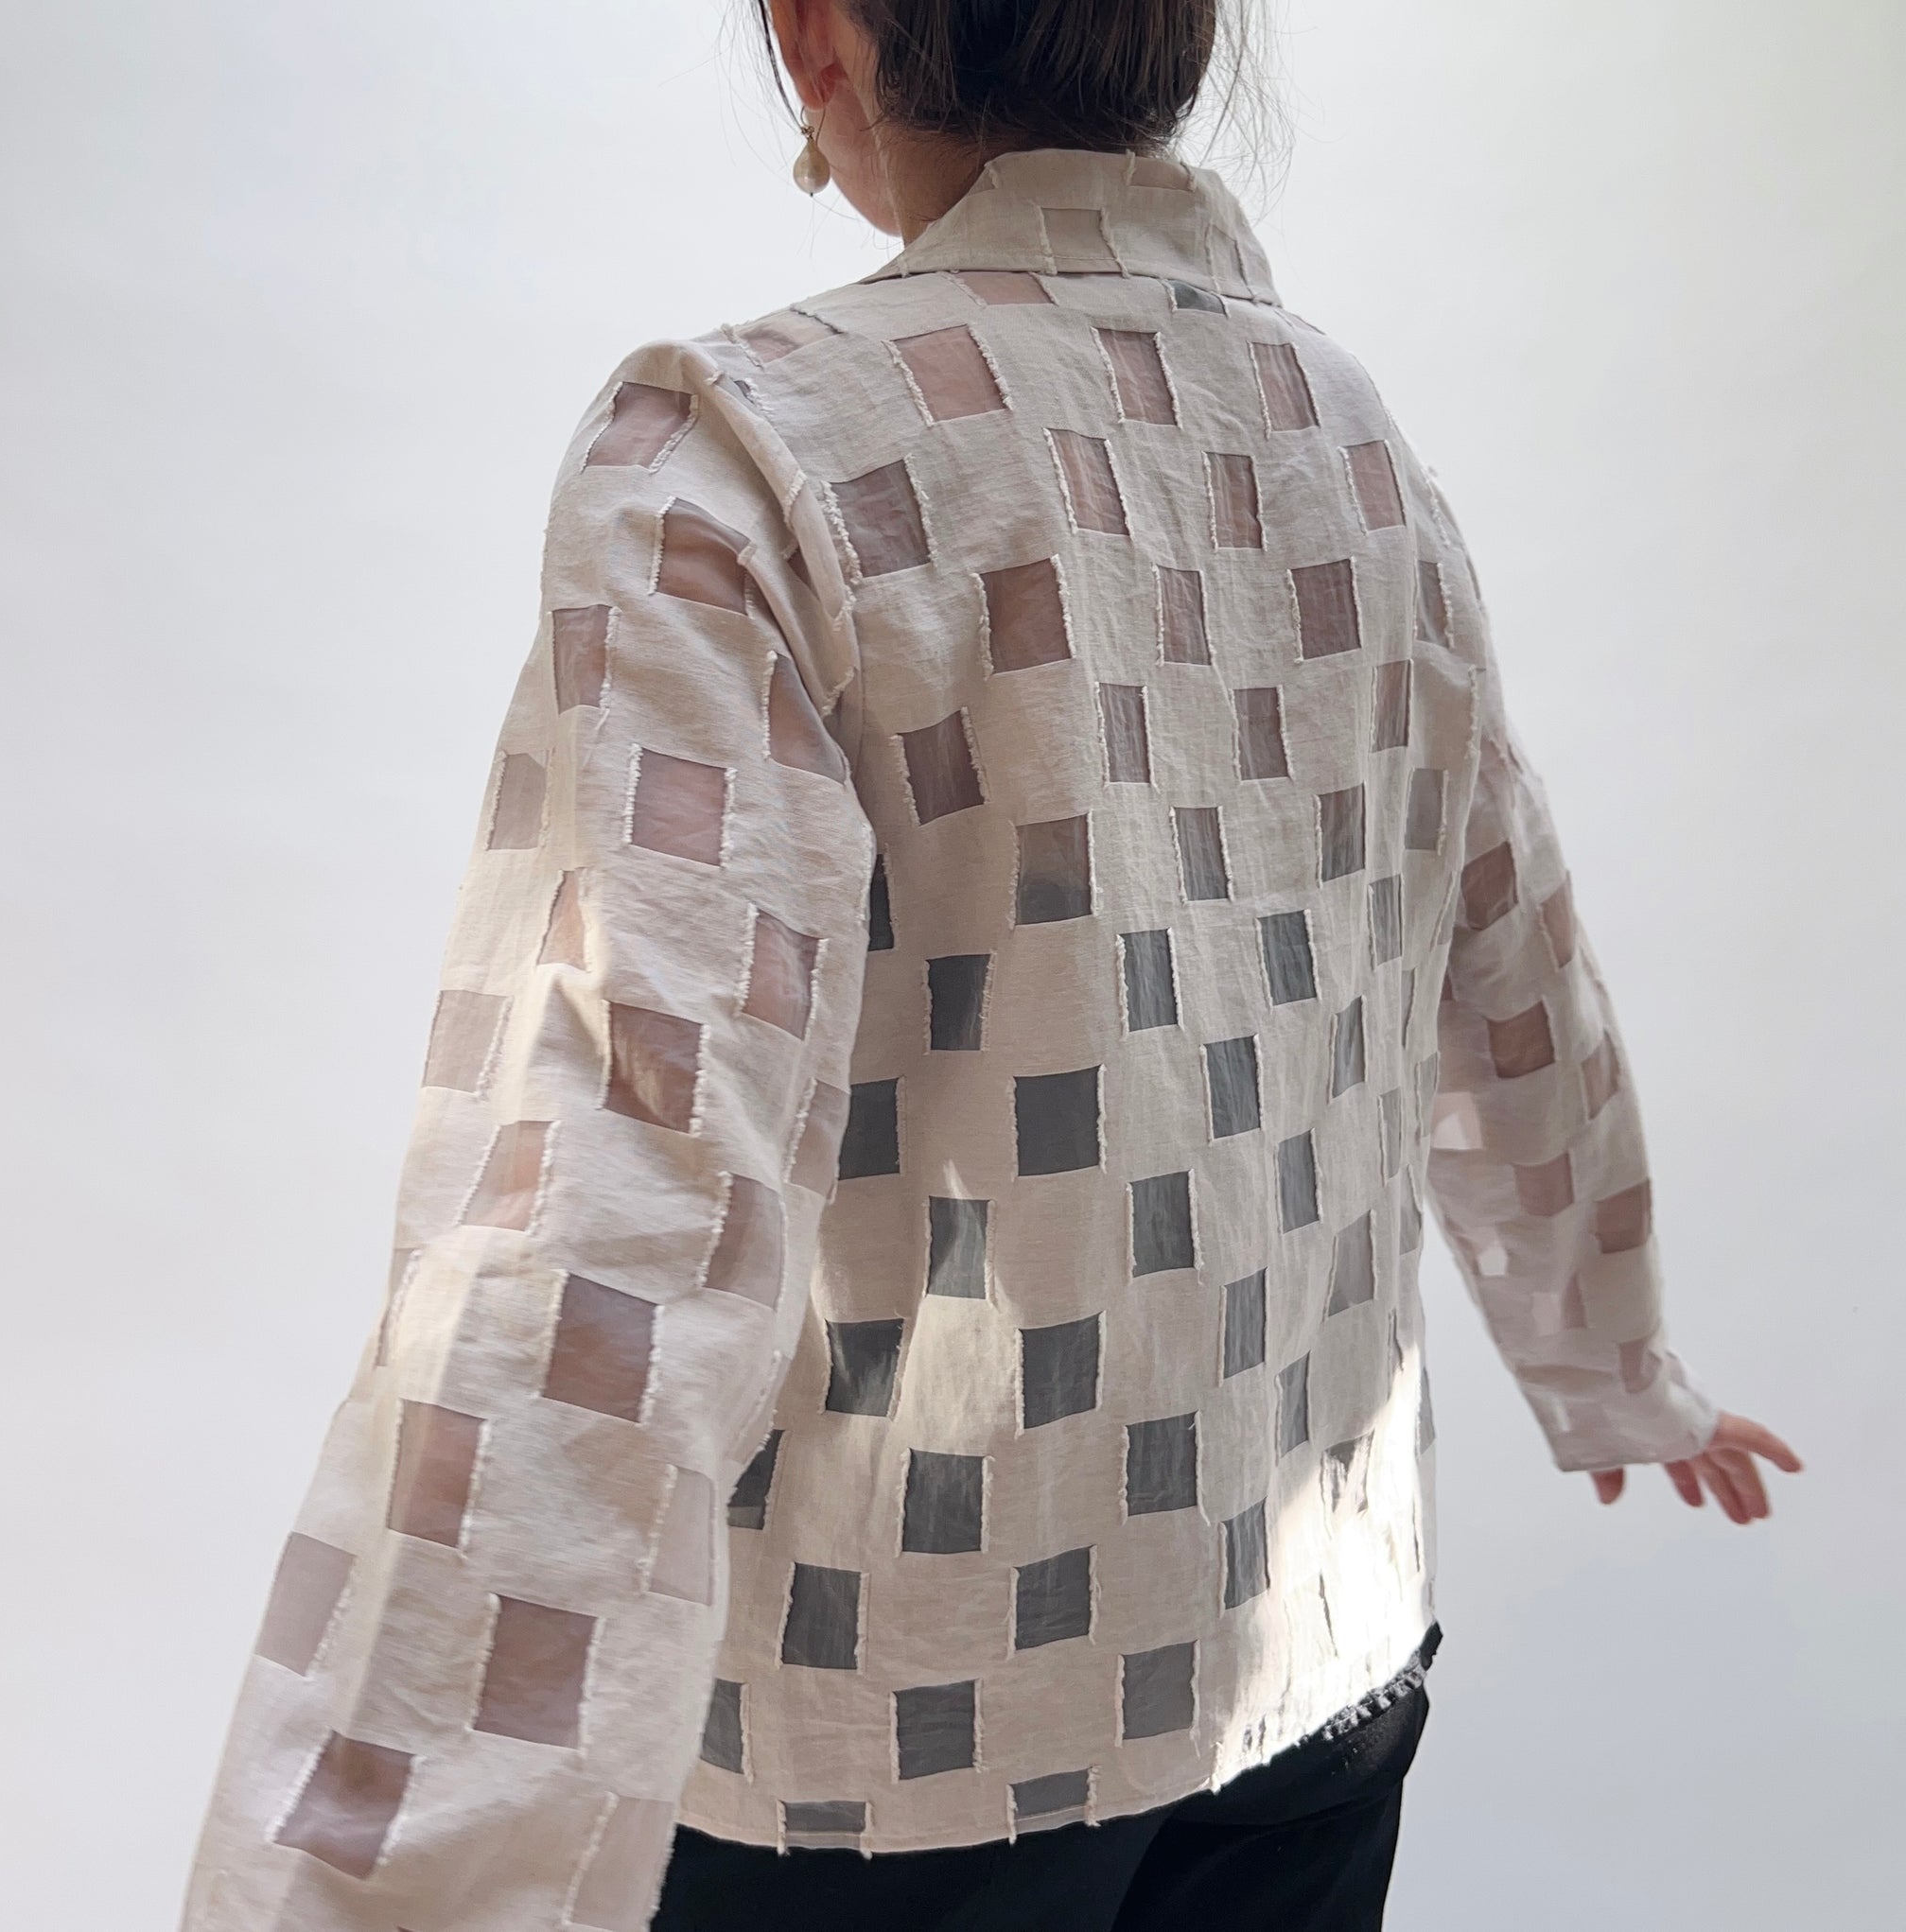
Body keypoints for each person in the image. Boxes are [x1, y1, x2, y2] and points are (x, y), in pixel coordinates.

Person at [179, 4, 1803, 1928]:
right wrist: (1614, 1359)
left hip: (900, 1715)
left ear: (816, 41)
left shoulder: (743, 454)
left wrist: (400, 1867)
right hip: (1312, 1643)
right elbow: (1509, 957)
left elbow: (632, 1172)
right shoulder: (1348, 435)